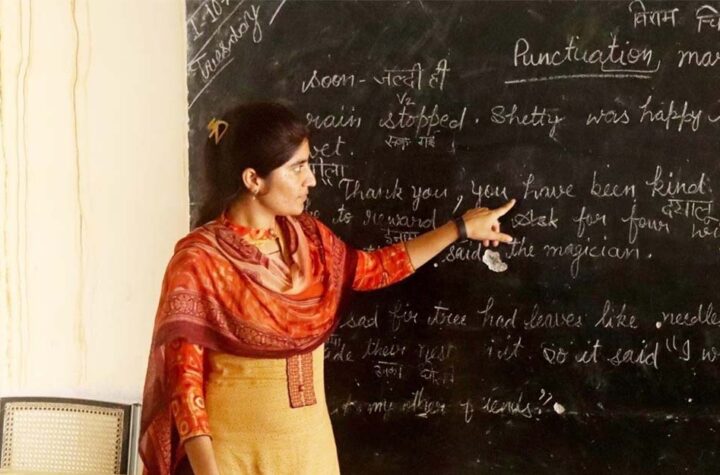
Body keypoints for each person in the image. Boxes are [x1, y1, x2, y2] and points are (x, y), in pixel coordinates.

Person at [139, 102, 515, 475]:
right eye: (297, 167)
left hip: (311, 456)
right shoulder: (200, 261)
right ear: (253, 179)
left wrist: (459, 229)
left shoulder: (311, 240)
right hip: (233, 462)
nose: (312, 179)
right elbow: (185, 388)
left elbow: (375, 269)